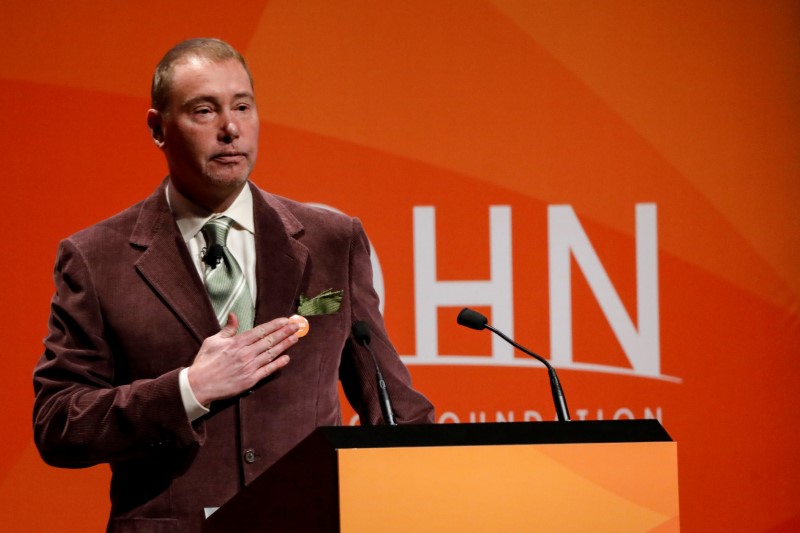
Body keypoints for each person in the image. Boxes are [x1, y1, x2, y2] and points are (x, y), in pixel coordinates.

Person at [32, 38, 434, 532]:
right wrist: (188, 390)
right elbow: (59, 424)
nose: (230, 129)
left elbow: (392, 406)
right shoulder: (97, 258)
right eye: (204, 110)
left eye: (242, 106)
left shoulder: (334, 241)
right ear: (158, 129)